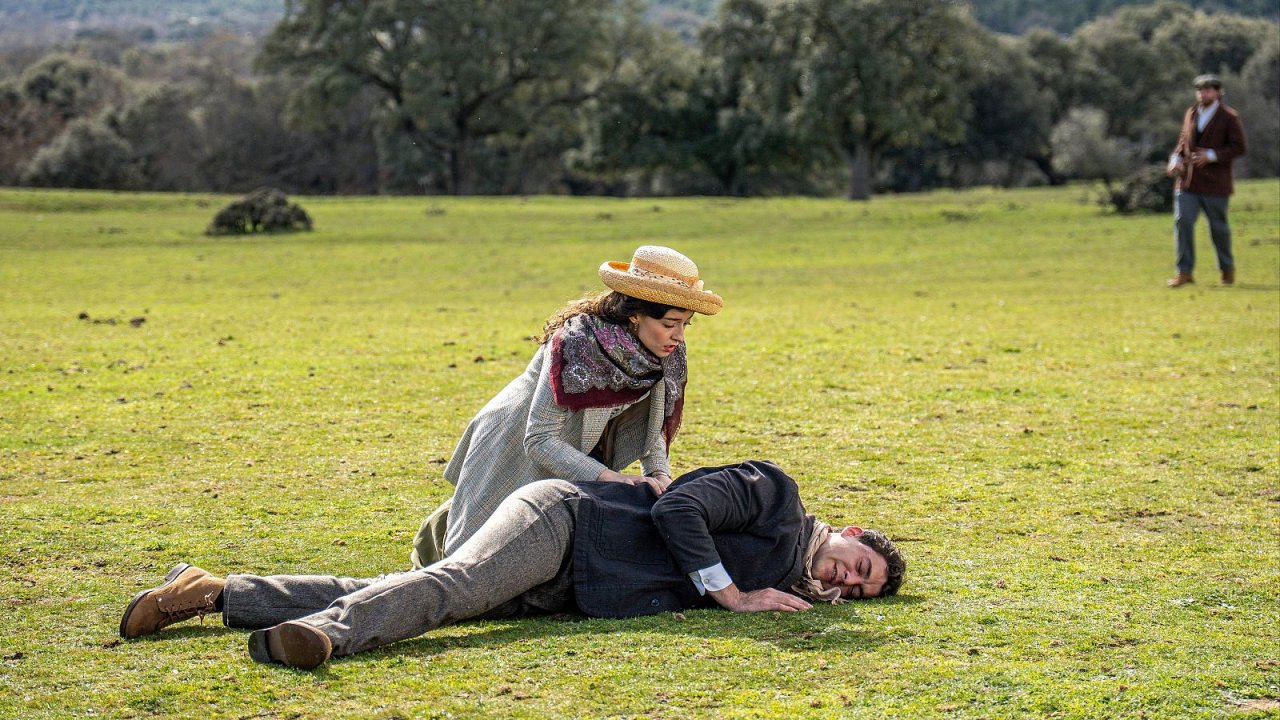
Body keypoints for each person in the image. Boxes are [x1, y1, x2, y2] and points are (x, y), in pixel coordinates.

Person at [119, 460, 906, 670]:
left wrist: (765, 599)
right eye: (859, 563)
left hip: (573, 585)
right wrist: (729, 595)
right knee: (452, 587)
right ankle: (328, 636)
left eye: (860, 590)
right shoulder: (775, 496)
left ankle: (215, 593)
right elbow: (678, 510)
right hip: (566, 522)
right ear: (852, 532)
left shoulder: (785, 586)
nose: (849, 579)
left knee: (424, 591)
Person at [410, 245, 723, 567]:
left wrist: (659, 474)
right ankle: (429, 547)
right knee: (475, 548)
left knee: (532, 533)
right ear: (636, 315)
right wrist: (610, 477)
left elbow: (653, 420)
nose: (679, 336)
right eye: (670, 324)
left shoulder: (664, 350)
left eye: (685, 324)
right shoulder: (576, 342)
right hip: (514, 436)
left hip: (578, 442)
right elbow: (539, 438)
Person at [1166, 73, 1248, 288]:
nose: (1204, 94)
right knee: (1182, 222)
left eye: (1208, 90)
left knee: (1218, 228)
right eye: (1200, 90)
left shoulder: (1229, 117)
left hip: (1216, 184)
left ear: (1218, 92)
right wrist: (1175, 160)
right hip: (1188, 182)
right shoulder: (1191, 113)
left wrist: (1212, 155)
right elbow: (1183, 141)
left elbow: (1239, 147)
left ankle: (1226, 269)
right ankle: (1184, 272)